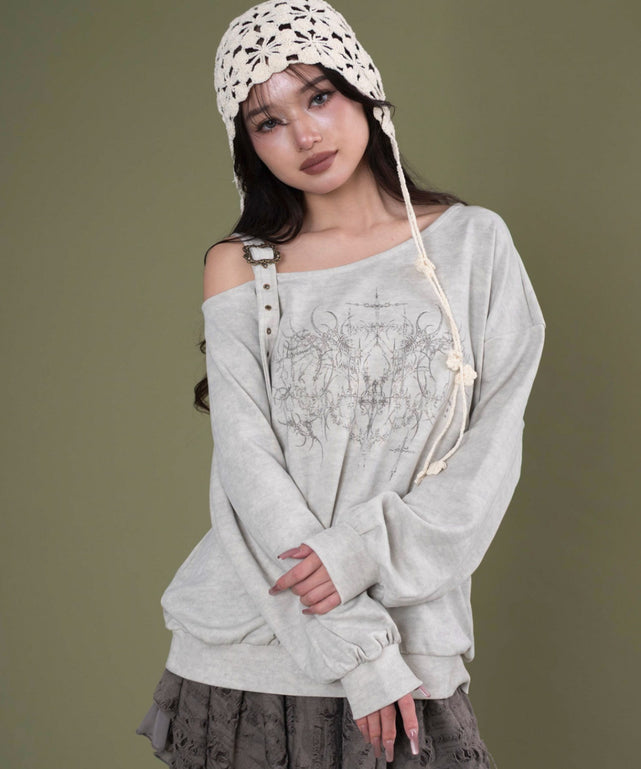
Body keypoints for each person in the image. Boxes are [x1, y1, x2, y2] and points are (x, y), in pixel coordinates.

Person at [136, 1, 545, 766]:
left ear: (362, 90)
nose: (304, 135)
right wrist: (357, 649)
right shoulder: (240, 264)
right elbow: (246, 466)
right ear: (248, 145)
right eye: (268, 121)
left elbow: (490, 452)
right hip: (251, 654)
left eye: (318, 96)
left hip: (414, 641)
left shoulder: (472, 244)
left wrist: (360, 553)